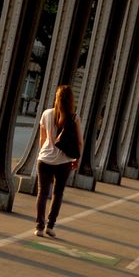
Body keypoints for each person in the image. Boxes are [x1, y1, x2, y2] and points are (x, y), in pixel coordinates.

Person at [34, 85, 83, 237]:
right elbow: (80, 142)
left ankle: (39, 227)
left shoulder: (46, 114)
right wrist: (77, 159)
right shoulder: (74, 118)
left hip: (45, 160)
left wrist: (46, 152)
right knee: (58, 193)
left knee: (42, 193)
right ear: (70, 101)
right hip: (64, 162)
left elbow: (42, 139)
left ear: (56, 98)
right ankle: (50, 226)